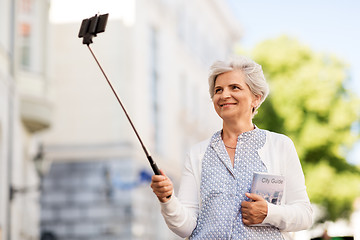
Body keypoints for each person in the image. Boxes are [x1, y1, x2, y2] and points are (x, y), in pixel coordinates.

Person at [151, 56, 313, 239]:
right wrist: (167, 199)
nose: (224, 95)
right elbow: (186, 227)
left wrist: (268, 212)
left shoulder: (280, 146)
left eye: (234, 87)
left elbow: (304, 215)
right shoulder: (197, 154)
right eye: (218, 90)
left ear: (256, 98)